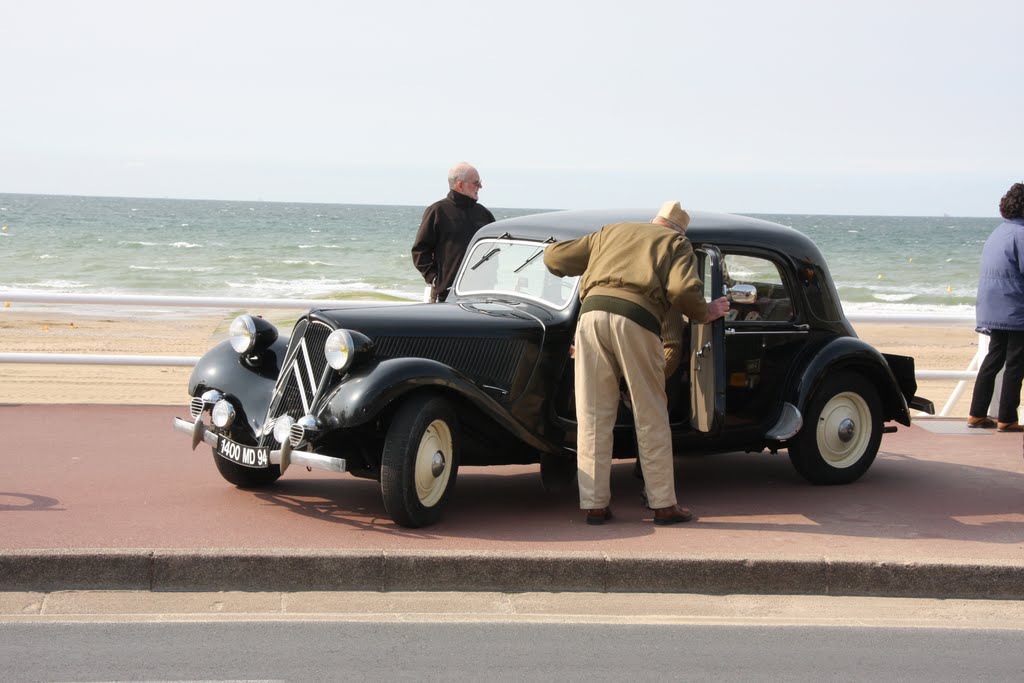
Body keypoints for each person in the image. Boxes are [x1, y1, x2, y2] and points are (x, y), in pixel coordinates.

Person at [544, 201, 730, 525]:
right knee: (650, 412)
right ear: (679, 229)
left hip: (589, 318)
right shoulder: (675, 243)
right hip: (635, 319)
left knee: (593, 413)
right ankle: (662, 504)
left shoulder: (610, 231)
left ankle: (594, 504)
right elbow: (683, 289)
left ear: (653, 220)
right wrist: (704, 311)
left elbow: (554, 258)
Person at [967, 182, 1024, 432]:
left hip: (992, 306)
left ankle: (977, 414)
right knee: (1015, 363)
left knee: (993, 359)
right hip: (1016, 307)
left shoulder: (998, 232)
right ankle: (1007, 418)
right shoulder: (1022, 234)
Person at [411, 162, 496, 302]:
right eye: (476, 183)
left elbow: (494, 251)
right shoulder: (438, 211)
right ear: (460, 185)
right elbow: (419, 251)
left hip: (481, 294)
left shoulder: (484, 214)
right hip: (446, 295)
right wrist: (435, 279)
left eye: (480, 182)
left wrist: (492, 281)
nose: (480, 187)